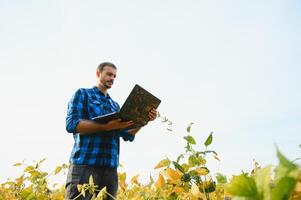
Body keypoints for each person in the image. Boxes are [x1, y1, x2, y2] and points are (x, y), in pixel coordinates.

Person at [64, 62, 157, 200]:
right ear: (98, 73)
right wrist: (105, 127)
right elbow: (72, 124)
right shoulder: (83, 94)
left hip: (110, 169)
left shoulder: (115, 106)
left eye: (114, 76)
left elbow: (128, 135)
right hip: (85, 164)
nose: (112, 78)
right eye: (109, 74)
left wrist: (144, 120)